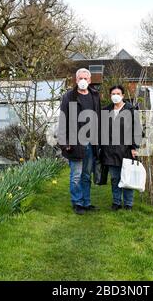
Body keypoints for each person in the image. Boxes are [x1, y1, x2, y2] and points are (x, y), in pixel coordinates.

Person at [58, 68, 101, 215]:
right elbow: (63, 120)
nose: (83, 81)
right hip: (75, 142)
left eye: (85, 78)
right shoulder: (69, 96)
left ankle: (86, 202)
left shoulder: (95, 95)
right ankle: (77, 202)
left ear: (89, 81)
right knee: (76, 175)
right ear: (76, 80)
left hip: (91, 142)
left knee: (87, 175)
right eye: (80, 78)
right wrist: (64, 142)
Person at [101, 85, 142, 211]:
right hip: (110, 150)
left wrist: (135, 147)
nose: (115, 95)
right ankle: (116, 202)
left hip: (126, 150)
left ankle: (128, 203)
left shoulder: (131, 110)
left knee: (127, 177)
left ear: (123, 95)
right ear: (110, 95)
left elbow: (137, 130)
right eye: (113, 93)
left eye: (118, 93)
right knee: (115, 178)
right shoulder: (106, 110)